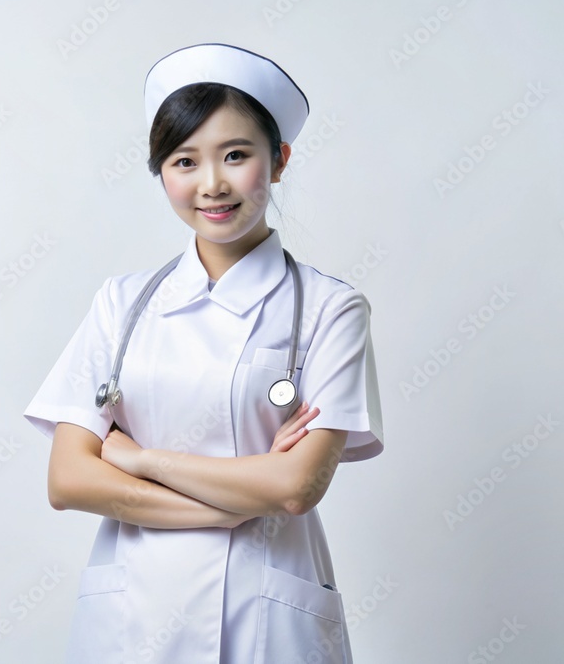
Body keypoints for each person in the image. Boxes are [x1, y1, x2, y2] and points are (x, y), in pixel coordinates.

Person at [23, 42, 384, 664]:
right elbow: (68, 479)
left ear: (278, 161)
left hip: (266, 613)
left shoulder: (331, 310)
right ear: (162, 172)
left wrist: (136, 458)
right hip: (134, 614)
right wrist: (229, 509)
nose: (211, 184)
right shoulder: (121, 304)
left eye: (236, 155)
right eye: (184, 161)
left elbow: (295, 488)